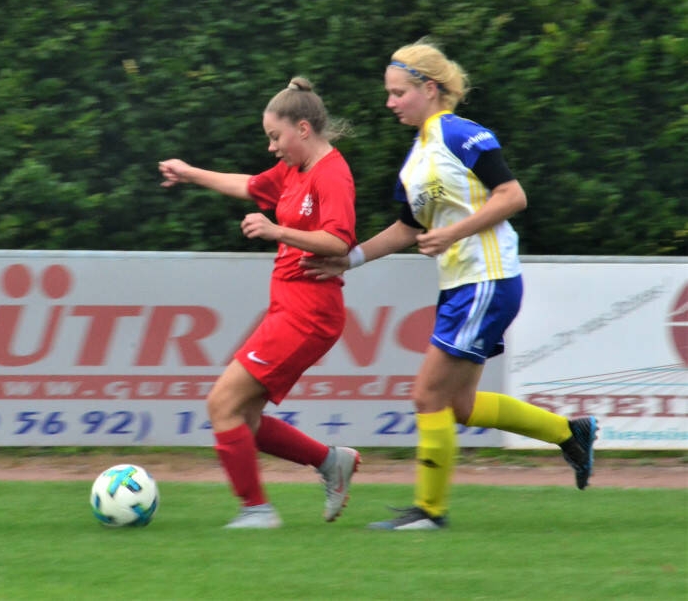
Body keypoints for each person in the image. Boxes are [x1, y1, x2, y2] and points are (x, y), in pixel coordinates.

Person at [301, 40, 598, 530]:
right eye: (389, 93)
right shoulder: (416, 158)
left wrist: (453, 232)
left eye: (398, 92)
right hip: (463, 285)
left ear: (430, 88)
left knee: (427, 395)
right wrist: (348, 260)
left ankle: (429, 512)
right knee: (458, 405)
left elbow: (512, 195)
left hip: (487, 279)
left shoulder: (460, 134)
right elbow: (408, 228)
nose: (390, 102)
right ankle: (570, 434)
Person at [159, 77, 360, 529]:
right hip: (290, 311)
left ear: (303, 128)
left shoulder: (331, 174)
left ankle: (256, 510)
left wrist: (276, 231)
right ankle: (331, 462)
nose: (271, 147)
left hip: (309, 315)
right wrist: (189, 172)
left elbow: (339, 242)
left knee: (222, 404)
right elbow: (249, 186)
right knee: (243, 414)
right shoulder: (295, 169)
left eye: (275, 136)